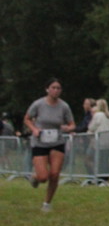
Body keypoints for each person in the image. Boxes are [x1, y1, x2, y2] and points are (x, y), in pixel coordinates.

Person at [23, 78, 76, 212]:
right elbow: (27, 119)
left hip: (57, 142)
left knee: (55, 174)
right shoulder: (38, 104)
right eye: (53, 87)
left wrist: (68, 128)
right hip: (40, 142)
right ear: (47, 89)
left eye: (58, 88)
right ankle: (35, 177)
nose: (56, 90)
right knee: (43, 177)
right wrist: (34, 129)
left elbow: (72, 124)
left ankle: (47, 203)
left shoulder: (64, 106)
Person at [87, 98, 109, 184]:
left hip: (99, 141)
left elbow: (91, 127)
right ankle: (106, 178)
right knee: (105, 160)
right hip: (108, 141)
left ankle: (98, 177)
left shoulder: (98, 115)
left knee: (97, 160)